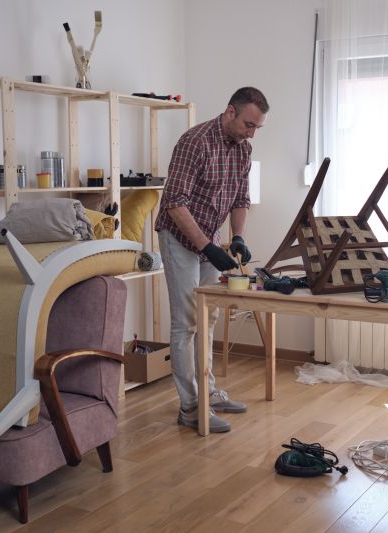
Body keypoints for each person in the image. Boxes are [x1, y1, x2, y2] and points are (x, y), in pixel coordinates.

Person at [154, 87, 269, 433]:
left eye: (257, 128)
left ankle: (209, 391)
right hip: (179, 237)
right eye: (248, 124)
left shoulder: (243, 150)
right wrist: (207, 247)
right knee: (187, 321)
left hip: (210, 239)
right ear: (230, 111)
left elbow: (241, 199)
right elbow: (175, 202)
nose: (251, 133)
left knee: (208, 316)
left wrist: (237, 237)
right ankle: (190, 407)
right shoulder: (195, 142)